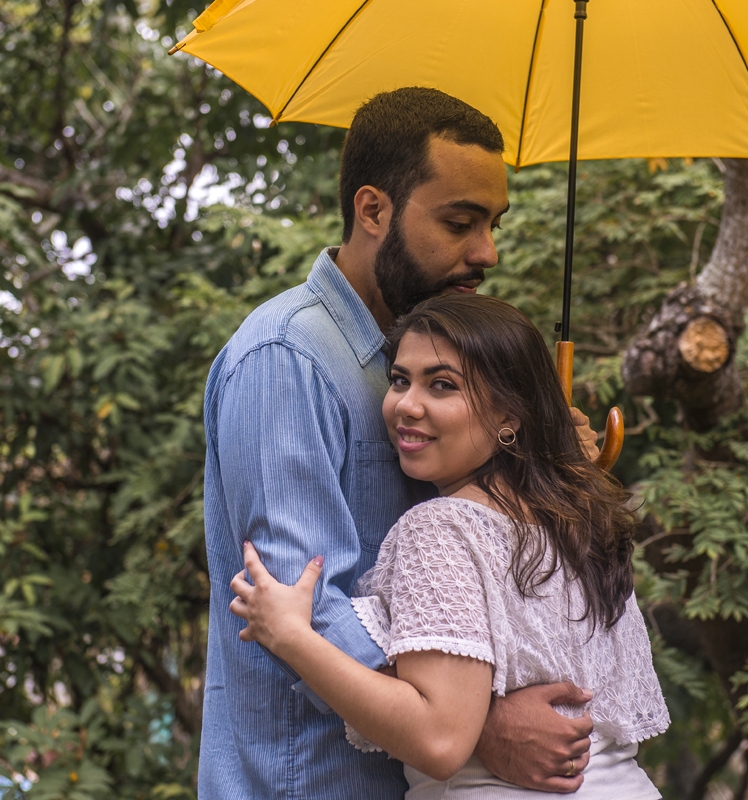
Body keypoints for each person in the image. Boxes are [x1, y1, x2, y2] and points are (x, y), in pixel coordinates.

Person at [199, 87, 600, 800]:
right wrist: (479, 727)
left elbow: (481, 571)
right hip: (316, 781)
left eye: (492, 223)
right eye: (460, 222)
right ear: (373, 209)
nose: (488, 251)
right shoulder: (287, 358)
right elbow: (303, 610)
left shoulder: (424, 357)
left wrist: (544, 463)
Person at [228, 293, 669, 797]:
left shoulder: (443, 529)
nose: (406, 406)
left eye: (442, 385)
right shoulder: (583, 521)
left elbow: (440, 741)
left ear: (510, 415)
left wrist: (290, 636)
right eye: (399, 380)